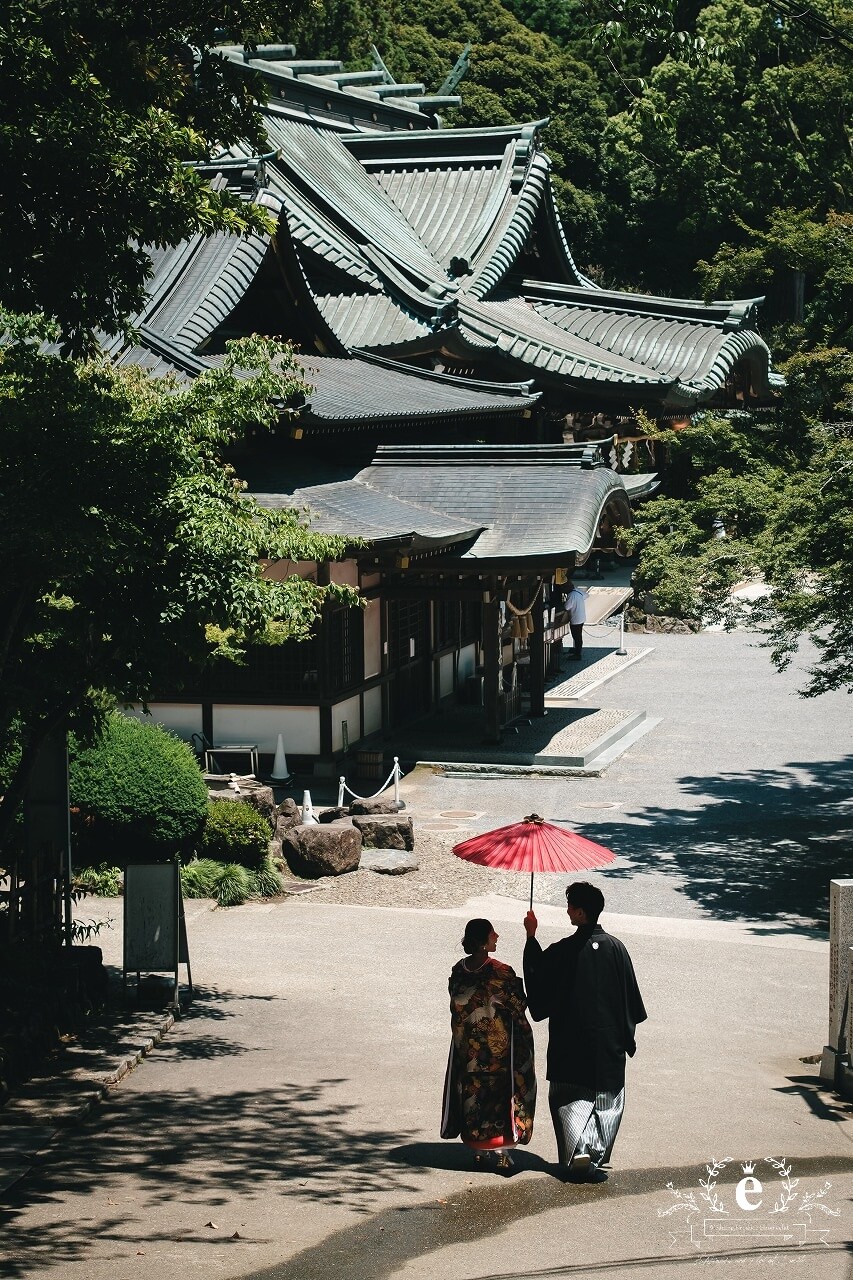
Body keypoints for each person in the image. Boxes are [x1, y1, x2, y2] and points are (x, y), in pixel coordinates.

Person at [523, 882, 646, 1181]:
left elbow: (538, 973)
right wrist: (625, 1036)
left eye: (569, 906)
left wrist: (531, 936)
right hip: (608, 1040)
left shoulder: (565, 950)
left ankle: (577, 1150)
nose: (567, 911)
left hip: (570, 1039)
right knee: (608, 1100)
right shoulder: (617, 947)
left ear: (579, 912)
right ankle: (593, 1151)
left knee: (569, 1098)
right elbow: (631, 997)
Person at [441, 918, 536, 1170]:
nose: (497, 936)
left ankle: (478, 1150)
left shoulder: (458, 972)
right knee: (502, 1100)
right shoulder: (501, 972)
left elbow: (457, 1005)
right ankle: (503, 1152)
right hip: (498, 1052)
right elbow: (519, 1005)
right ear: (484, 942)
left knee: (473, 1098)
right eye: (493, 933)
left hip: (468, 1051)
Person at [564, 581, 587, 661]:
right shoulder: (577, 592)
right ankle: (577, 650)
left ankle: (577, 654)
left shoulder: (571, 595)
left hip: (576, 618)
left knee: (576, 636)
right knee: (578, 636)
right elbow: (586, 595)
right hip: (581, 617)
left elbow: (567, 607)